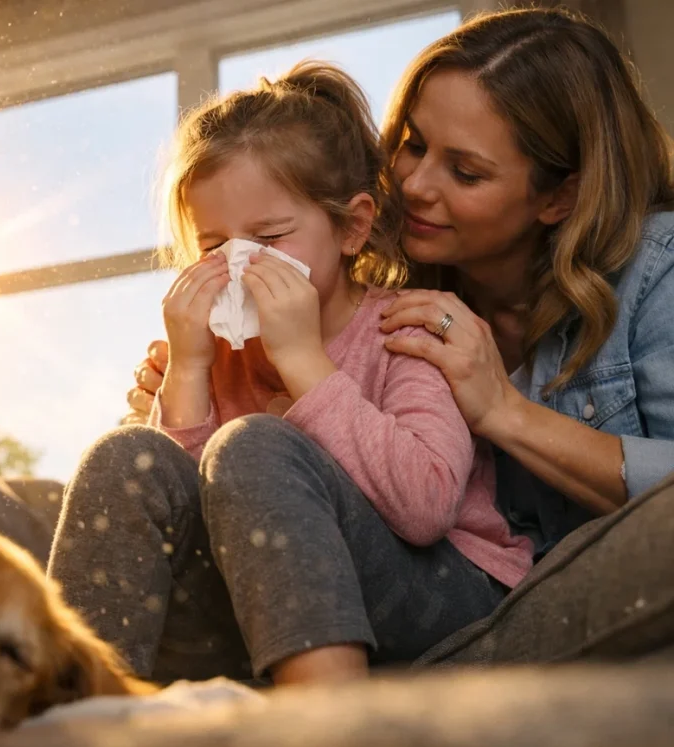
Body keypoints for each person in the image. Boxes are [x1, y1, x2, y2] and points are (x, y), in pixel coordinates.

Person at [126, 7, 674, 661]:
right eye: (412, 142)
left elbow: (427, 503)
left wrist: (504, 412)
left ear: (558, 197)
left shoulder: (654, 269)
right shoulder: (385, 284)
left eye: (464, 171)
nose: (411, 184)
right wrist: (184, 390)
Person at [49, 59, 532, 689]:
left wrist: (305, 362)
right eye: (213, 246)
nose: (240, 265)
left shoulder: (409, 330)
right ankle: (70, 706)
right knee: (124, 454)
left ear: (353, 226)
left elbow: (425, 509)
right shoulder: (220, 354)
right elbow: (191, 515)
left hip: (442, 591)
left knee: (256, 443)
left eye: (270, 237)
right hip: (271, 601)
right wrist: (189, 371)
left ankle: (323, 722)